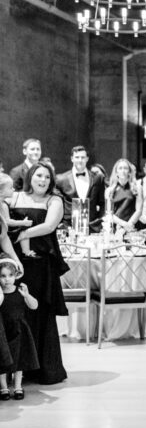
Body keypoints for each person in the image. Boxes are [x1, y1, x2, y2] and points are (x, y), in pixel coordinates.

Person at [6, 162, 68, 385]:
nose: (43, 180)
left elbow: (49, 226)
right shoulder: (14, 197)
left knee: (39, 312)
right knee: (15, 313)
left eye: (47, 177)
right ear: (31, 176)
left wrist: (23, 234)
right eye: (39, 176)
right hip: (15, 264)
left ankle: (44, 368)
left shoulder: (55, 200)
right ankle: (13, 369)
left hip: (41, 264)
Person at [0, 259, 40, 400]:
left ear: (16, 275)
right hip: (3, 331)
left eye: (10, 275)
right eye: (3, 276)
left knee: (19, 360)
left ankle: (18, 386)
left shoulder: (20, 292)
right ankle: (4, 387)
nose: (7, 279)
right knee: (2, 359)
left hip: (19, 330)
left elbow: (34, 306)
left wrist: (27, 295)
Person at [55, 145, 105, 232]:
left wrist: (99, 221)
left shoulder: (98, 178)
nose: (80, 160)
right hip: (69, 228)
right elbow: (57, 205)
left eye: (83, 157)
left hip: (92, 227)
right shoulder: (61, 179)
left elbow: (102, 203)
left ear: (87, 159)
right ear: (72, 159)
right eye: (77, 157)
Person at [105, 159, 141, 231]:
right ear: (116, 172)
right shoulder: (109, 190)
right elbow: (109, 213)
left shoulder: (137, 188)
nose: (123, 171)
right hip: (115, 226)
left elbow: (139, 210)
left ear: (129, 171)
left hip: (132, 225)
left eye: (125, 168)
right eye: (120, 168)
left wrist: (129, 224)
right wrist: (124, 224)